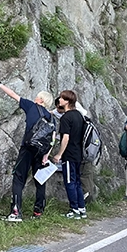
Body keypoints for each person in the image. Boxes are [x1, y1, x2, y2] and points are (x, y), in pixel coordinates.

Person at [0, 74, 55, 222]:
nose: (35, 98)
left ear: (41, 100)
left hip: (27, 148)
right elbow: (52, 138)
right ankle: (38, 212)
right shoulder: (51, 117)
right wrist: (46, 155)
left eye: (38, 96)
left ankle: (16, 212)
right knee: (40, 180)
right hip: (41, 152)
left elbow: (13, 94)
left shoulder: (31, 106)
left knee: (18, 178)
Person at [51, 89, 86, 219]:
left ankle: (74, 209)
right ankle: (81, 208)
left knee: (70, 182)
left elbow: (65, 138)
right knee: (77, 181)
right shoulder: (79, 116)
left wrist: (59, 154)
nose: (59, 100)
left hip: (69, 154)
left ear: (67, 102)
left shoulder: (66, 117)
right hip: (78, 153)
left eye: (62, 98)